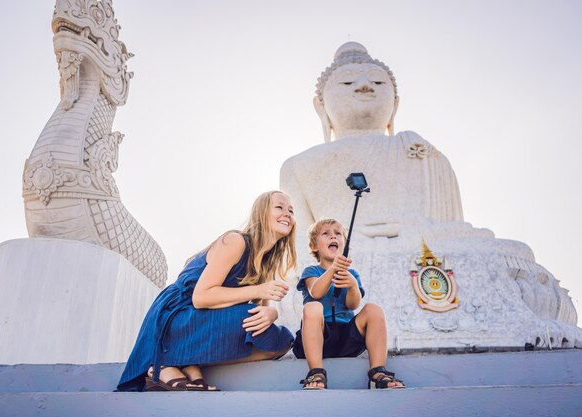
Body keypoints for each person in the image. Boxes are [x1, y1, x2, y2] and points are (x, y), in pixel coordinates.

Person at [280, 42, 463, 240]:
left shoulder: (426, 156)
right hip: (340, 261)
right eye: (347, 82)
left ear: (395, 104)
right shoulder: (297, 167)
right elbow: (297, 251)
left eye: (378, 82)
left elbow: (458, 236)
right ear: (320, 106)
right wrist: (348, 241)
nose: (364, 86)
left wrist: (418, 229)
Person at [117, 191, 297, 392]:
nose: (287, 214)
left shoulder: (263, 263)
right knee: (246, 317)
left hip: (206, 320)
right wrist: (259, 290)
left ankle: (188, 361)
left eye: (291, 210)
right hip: (177, 315)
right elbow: (201, 297)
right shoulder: (236, 241)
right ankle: (165, 363)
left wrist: (271, 313)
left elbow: (257, 312)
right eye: (279, 207)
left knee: (278, 340)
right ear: (261, 212)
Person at [293, 219, 404, 389]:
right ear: (313, 247)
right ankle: (316, 372)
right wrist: (332, 270)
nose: (333, 236)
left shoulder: (351, 273)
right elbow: (315, 292)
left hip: (347, 338)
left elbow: (353, 305)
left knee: (373, 310)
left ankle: (378, 372)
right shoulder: (311, 271)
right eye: (326, 233)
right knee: (313, 307)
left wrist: (352, 285)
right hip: (319, 337)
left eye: (338, 233)